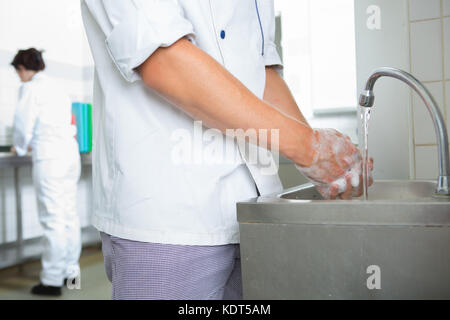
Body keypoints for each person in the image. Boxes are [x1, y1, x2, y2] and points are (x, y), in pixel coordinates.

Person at [81, 0, 372, 300]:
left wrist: (331, 162)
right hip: (170, 218)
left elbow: (261, 73)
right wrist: (307, 147)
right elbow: (164, 61)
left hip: (254, 209)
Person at [11, 48, 81, 296]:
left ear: (22, 69)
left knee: (52, 219)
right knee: (68, 216)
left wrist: (19, 147)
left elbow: (22, 124)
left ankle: (51, 281)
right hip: (70, 155)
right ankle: (70, 274)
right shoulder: (57, 86)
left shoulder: (30, 88)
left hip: (50, 158)